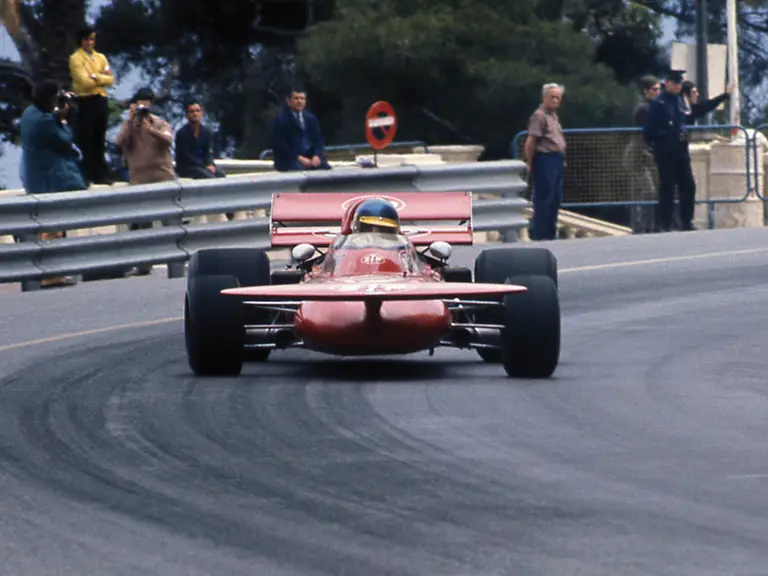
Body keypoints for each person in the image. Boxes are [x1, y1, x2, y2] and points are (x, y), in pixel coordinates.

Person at [19, 79, 87, 288]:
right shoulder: (46, 121)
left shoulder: (29, 114)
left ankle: (46, 272)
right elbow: (65, 142)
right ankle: (51, 274)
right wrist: (64, 122)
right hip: (49, 178)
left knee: (44, 226)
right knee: (53, 227)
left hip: (33, 176)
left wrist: (55, 116)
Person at [115, 87, 176, 275]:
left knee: (170, 222)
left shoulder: (158, 123)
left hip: (162, 177)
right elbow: (119, 143)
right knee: (143, 226)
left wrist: (150, 130)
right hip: (140, 181)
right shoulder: (130, 127)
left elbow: (168, 140)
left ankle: (176, 261)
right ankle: (143, 265)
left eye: (146, 103)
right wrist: (130, 121)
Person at [643, 69, 698, 232]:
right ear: (667, 83)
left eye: (680, 83)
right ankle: (665, 223)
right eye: (675, 83)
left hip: (681, 149)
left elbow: (687, 119)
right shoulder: (658, 103)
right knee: (667, 186)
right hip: (665, 151)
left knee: (688, 184)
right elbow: (649, 130)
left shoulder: (681, 101)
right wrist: (661, 140)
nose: (678, 86)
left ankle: (686, 220)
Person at [69, 26, 114, 185]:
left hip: (100, 99)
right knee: (87, 136)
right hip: (86, 100)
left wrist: (95, 77)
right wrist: (101, 78)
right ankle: (88, 173)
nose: (90, 42)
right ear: (81, 40)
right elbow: (83, 81)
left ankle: (101, 173)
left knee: (99, 136)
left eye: (92, 39)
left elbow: (111, 79)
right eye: (87, 39)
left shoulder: (100, 57)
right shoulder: (76, 58)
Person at [524, 83, 566, 241]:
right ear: (544, 97)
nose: (555, 100)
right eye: (552, 97)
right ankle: (540, 233)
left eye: (558, 97)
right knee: (544, 197)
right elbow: (531, 141)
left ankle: (550, 231)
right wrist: (530, 162)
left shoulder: (553, 115)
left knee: (555, 197)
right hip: (544, 158)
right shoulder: (539, 115)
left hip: (556, 159)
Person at [623, 75, 660, 234]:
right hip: (637, 155)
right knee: (646, 192)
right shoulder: (644, 108)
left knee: (641, 192)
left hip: (643, 156)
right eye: (655, 89)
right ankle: (642, 227)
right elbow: (644, 133)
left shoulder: (652, 106)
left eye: (659, 89)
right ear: (646, 91)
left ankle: (643, 226)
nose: (658, 92)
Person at [271, 86, 331, 172]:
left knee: (325, 167)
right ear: (288, 101)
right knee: (297, 168)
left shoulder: (310, 118)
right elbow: (280, 145)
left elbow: (318, 140)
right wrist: (299, 158)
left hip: (309, 156)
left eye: (302, 98)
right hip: (289, 159)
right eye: (296, 98)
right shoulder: (281, 120)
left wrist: (316, 155)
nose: (299, 101)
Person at [174, 97, 226, 179]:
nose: (195, 114)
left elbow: (209, 152)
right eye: (192, 112)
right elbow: (186, 156)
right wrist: (204, 166)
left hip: (203, 166)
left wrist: (210, 164)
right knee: (207, 175)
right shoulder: (182, 133)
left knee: (220, 174)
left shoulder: (207, 132)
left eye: (197, 111)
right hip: (187, 167)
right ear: (187, 115)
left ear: (201, 113)